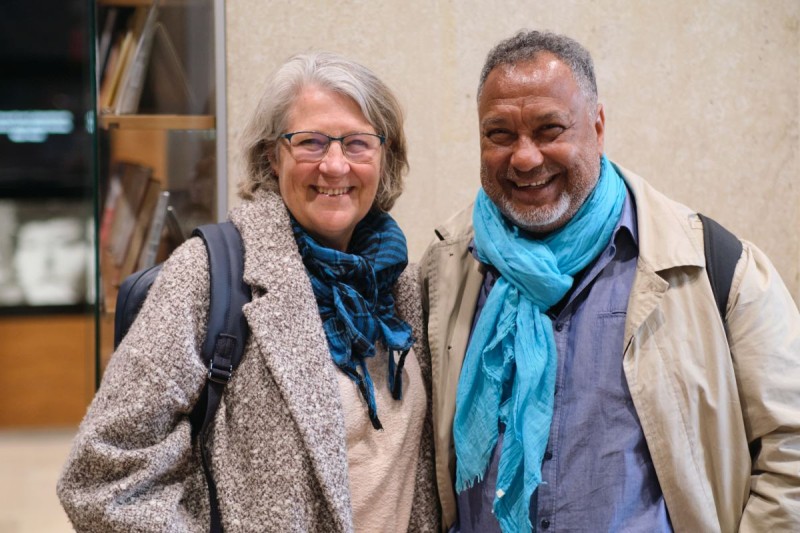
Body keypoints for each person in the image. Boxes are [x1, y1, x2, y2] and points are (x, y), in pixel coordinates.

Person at [420, 30, 800, 533]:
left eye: (549, 129)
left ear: (597, 127)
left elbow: (790, 450)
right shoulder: (444, 271)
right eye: (500, 134)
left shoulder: (714, 267)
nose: (525, 157)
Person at [58, 51, 440, 532]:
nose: (335, 165)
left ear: (385, 158)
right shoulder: (208, 274)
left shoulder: (401, 286)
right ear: (271, 156)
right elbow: (100, 481)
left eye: (358, 144)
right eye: (311, 143)